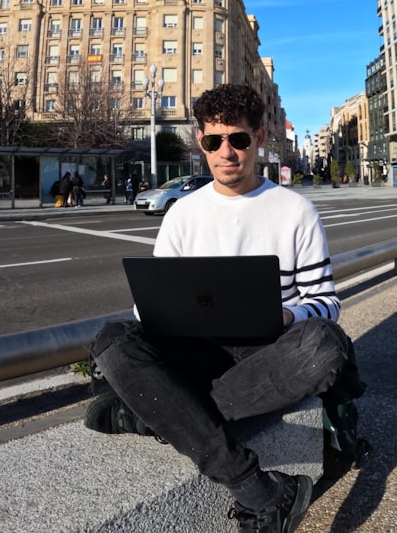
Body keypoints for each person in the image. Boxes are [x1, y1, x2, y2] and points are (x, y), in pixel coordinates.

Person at [87, 83, 363, 533]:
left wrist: (288, 315)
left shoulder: (296, 211)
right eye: (214, 141)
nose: (226, 152)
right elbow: (150, 306)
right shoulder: (182, 214)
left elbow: (326, 303)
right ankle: (260, 489)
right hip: (198, 350)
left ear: (258, 137)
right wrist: (154, 316)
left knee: (325, 346)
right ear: (201, 143)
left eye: (237, 139)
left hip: (270, 351)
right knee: (113, 340)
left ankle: (157, 413)